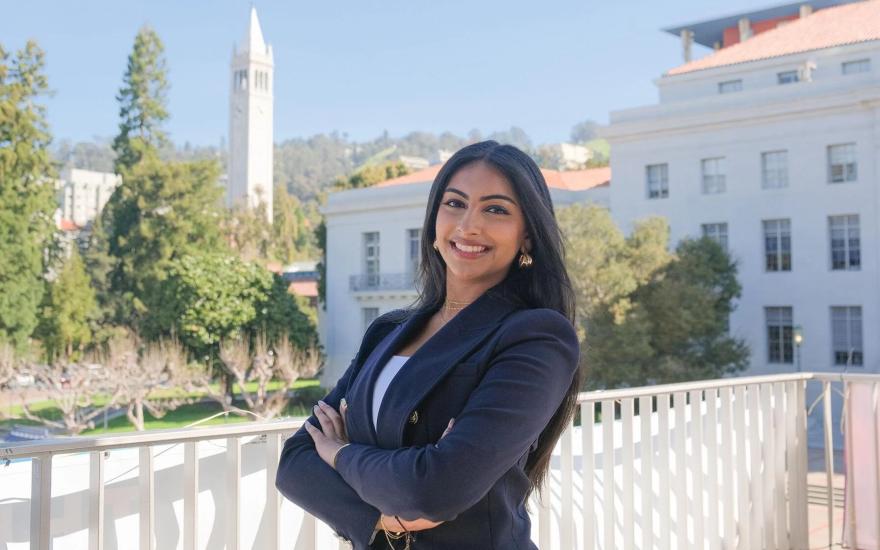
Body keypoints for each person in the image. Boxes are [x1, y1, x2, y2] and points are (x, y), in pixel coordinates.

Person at [275, 140, 582, 549]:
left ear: (527, 236)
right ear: (434, 219)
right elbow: (295, 463)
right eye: (454, 203)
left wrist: (339, 453)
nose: (468, 225)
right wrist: (386, 518)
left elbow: (435, 489)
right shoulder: (387, 332)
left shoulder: (536, 337)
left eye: (495, 209)